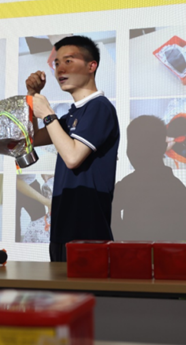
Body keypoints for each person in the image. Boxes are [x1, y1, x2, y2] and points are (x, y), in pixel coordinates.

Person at [26, 35, 120, 262]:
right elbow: (32, 138)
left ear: (91, 66)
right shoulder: (72, 114)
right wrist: (32, 96)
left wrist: (48, 114)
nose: (59, 69)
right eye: (57, 63)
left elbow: (72, 157)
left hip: (87, 233)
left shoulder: (100, 107)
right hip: (62, 230)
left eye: (68, 61)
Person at [111, 115, 186, 241]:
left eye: (139, 146)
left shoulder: (128, 186)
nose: (134, 152)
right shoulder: (179, 189)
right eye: (133, 145)